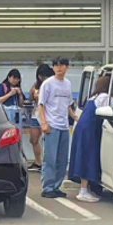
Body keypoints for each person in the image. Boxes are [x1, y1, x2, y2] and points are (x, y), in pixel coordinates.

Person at [36, 57, 78, 199]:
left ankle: (56, 186)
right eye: (56, 65)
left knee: (62, 158)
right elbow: (41, 105)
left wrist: (74, 117)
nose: (59, 68)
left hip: (64, 126)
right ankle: (47, 187)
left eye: (62, 65)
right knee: (50, 158)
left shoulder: (67, 84)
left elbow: (68, 104)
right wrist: (44, 123)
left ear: (67, 67)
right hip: (51, 125)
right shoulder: (48, 84)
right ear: (53, 68)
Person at [68, 74, 112, 201]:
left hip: (82, 128)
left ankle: (85, 189)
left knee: (83, 156)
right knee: (88, 157)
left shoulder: (93, 97)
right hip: (89, 130)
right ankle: (83, 191)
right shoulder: (105, 97)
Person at [23, 64, 52, 172]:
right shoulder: (37, 84)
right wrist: (32, 93)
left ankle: (47, 163)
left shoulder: (51, 83)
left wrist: (39, 96)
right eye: (40, 75)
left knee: (47, 141)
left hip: (47, 115)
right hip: (36, 114)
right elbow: (30, 99)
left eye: (43, 75)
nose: (41, 78)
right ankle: (38, 162)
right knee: (33, 139)